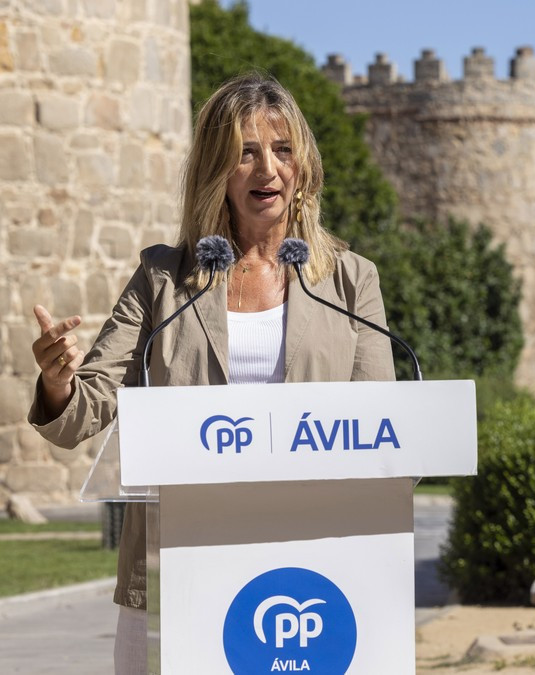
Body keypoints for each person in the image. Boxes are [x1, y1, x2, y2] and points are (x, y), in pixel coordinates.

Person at [27, 73, 396, 674]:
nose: (267, 170)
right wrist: (57, 381)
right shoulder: (162, 280)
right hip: (178, 560)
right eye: (245, 153)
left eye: (282, 150)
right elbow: (83, 411)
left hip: (312, 565)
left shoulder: (351, 281)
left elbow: (386, 434)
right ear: (215, 170)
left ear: (303, 166)